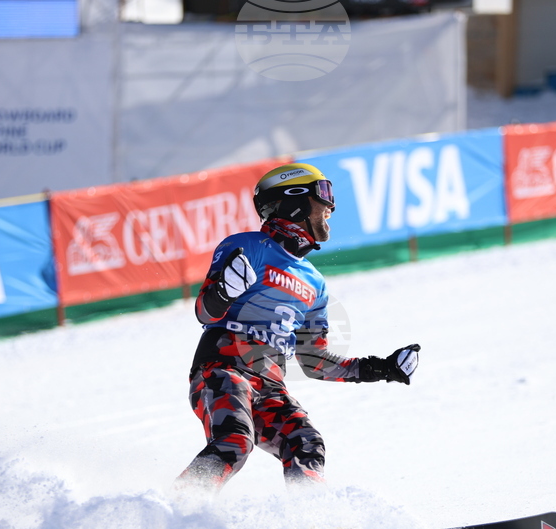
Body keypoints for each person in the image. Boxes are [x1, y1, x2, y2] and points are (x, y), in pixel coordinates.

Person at [174, 162, 421, 493]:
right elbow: (205, 312)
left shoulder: (315, 283)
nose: (331, 206)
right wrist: (223, 292)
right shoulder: (247, 246)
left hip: (269, 385)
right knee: (234, 441)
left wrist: (381, 368)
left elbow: (313, 360)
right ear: (295, 201)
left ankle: (309, 524)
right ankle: (175, 509)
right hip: (221, 369)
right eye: (324, 195)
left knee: (306, 443)